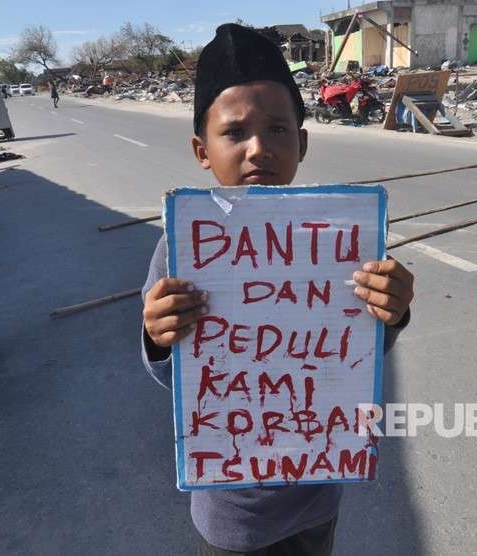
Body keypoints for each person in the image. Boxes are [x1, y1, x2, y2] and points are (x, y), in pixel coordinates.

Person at [140, 23, 415, 556]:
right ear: (202, 150)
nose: (259, 149)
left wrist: (391, 314)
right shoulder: (185, 246)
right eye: (235, 133)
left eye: (279, 130)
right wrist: (157, 336)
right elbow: (172, 375)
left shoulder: (339, 237)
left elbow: (358, 351)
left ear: (303, 142)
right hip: (232, 511)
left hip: (318, 491)